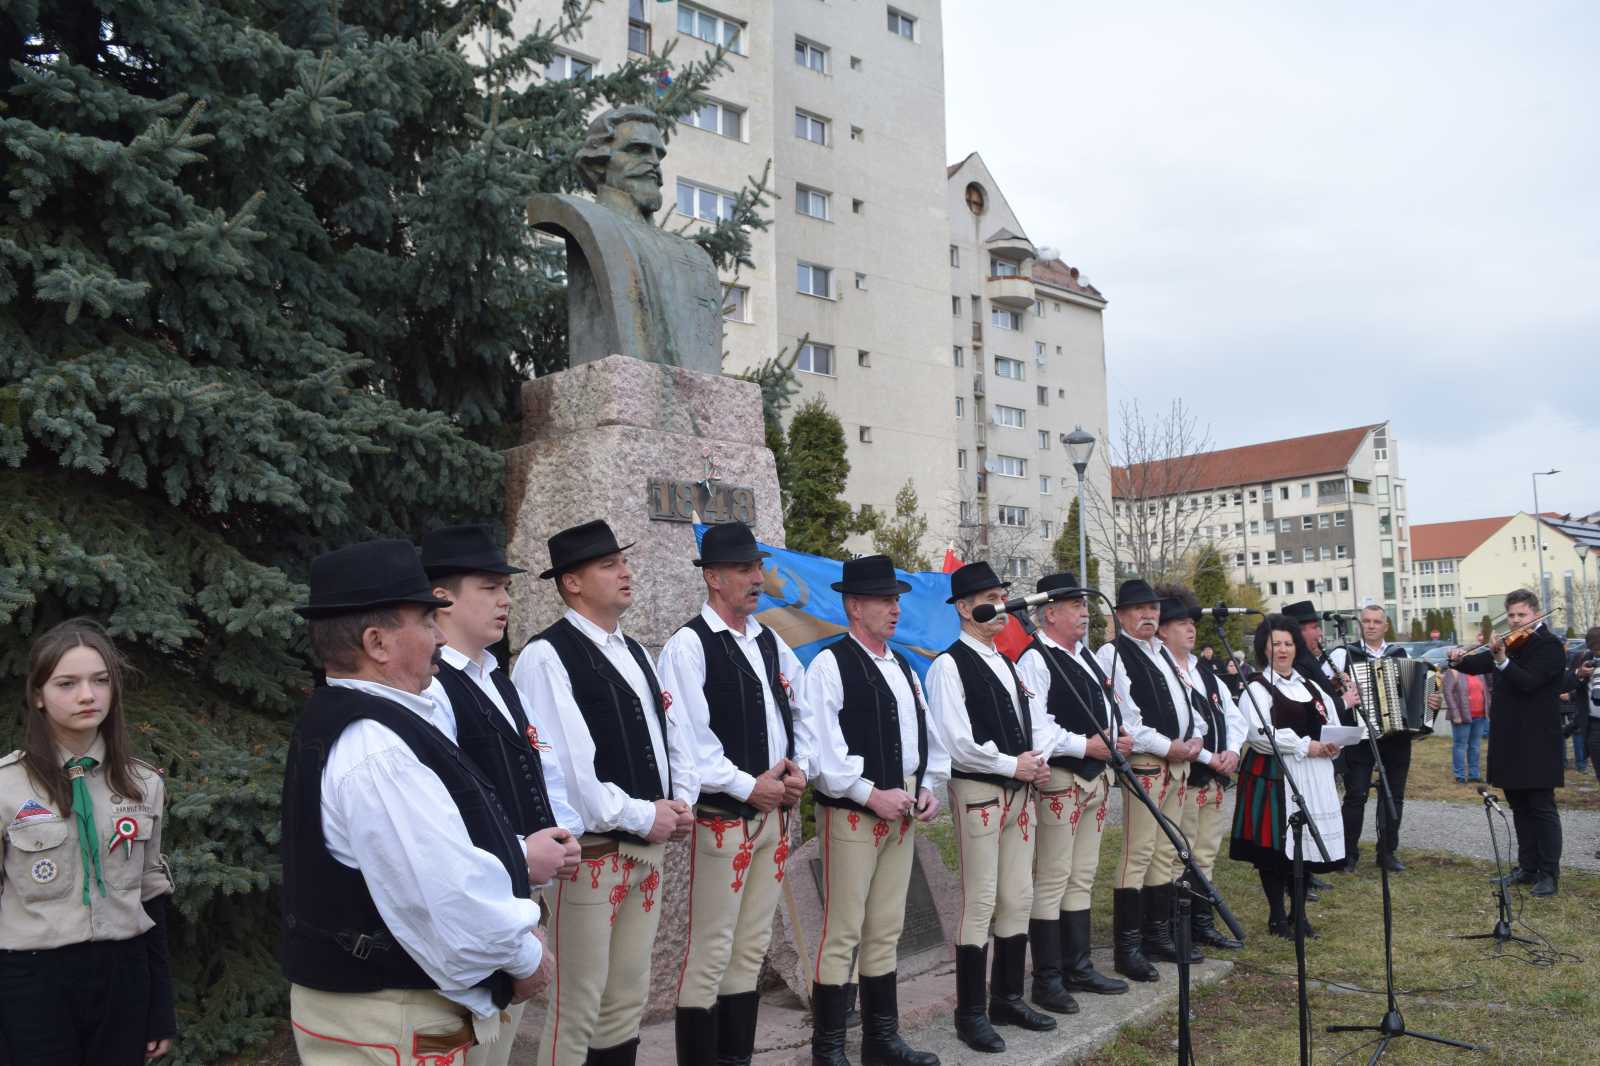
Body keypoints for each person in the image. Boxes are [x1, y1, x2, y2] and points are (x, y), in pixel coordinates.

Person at [282, 540, 560, 1064]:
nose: (438, 636)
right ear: (377, 642)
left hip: (380, 1014)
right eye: (427, 621)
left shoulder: (371, 721)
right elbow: (445, 893)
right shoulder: (376, 746)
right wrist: (526, 959)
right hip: (387, 1017)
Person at [512, 520, 698, 1064]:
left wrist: (680, 799)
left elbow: (672, 734)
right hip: (592, 853)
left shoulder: (636, 650)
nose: (626, 572)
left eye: (624, 561)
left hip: (647, 844)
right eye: (610, 564)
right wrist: (645, 814)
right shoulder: (547, 657)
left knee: (626, 998)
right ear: (572, 583)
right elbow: (569, 773)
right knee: (578, 1006)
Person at [420, 524, 584, 1066]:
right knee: (474, 1047)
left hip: (518, 890)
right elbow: (444, 814)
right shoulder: (434, 688)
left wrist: (561, 831)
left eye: (504, 587)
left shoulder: (496, 674)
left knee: (499, 1045)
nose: (505, 599)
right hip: (475, 899)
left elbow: (542, 764)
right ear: (442, 598)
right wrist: (520, 848)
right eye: (489, 587)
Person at [657, 522, 812, 1066]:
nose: (757, 578)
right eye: (745, 570)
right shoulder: (688, 646)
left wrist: (799, 769)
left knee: (749, 948)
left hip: (773, 817)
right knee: (710, 950)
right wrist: (751, 786)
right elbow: (689, 743)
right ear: (714, 577)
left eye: (757, 568)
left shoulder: (768, 641)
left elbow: (802, 707)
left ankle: (735, 1060)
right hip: (722, 819)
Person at [0, 619, 176, 1064]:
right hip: (33, 981)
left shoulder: (142, 783)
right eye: (67, 683)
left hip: (123, 977)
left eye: (100, 681)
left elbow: (151, 893)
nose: (87, 695)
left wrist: (159, 1007)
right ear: (38, 695)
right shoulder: (6, 786)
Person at [803, 555, 947, 1066]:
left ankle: (881, 1042)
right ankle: (829, 1051)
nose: (894, 608)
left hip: (902, 808)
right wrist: (870, 794)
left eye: (896, 600)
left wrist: (929, 784)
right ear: (854, 606)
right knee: (843, 930)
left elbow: (924, 737)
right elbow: (821, 754)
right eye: (885, 600)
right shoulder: (829, 665)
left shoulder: (902, 665)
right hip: (853, 813)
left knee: (886, 927)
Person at [926, 561, 1059, 1053]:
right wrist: (1012, 765)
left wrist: (1036, 762)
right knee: (980, 900)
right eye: (988, 597)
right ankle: (970, 1012)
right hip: (980, 791)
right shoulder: (948, 665)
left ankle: (1007, 996)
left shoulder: (1005, 660)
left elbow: (1029, 724)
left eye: (1002, 594)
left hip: (1019, 791)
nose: (1000, 604)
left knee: (1018, 895)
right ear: (963, 608)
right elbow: (956, 741)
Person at [1015, 572, 1134, 1013]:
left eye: (1085, 604)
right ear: (1049, 614)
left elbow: (1106, 706)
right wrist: (1085, 744)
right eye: (1073, 605)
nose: (1084, 611)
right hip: (1062, 778)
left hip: (1096, 778)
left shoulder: (1085, 655)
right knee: (1052, 877)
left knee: (1081, 875)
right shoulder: (1035, 659)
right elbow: (1037, 725)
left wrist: (1117, 736)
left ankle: (1078, 966)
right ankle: (1047, 978)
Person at [1095, 579, 1209, 983]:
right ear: (1121, 615)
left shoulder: (1160, 651)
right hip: (1147, 760)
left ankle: (1157, 934)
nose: (1149, 615)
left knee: (1167, 850)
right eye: (1139, 609)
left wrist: (1194, 736)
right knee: (1138, 850)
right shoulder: (1113, 653)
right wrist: (1170, 745)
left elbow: (1185, 699)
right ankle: (1128, 947)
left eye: (1153, 609)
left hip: (1177, 759)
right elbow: (1126, 719)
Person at [1229, 615, 1346, 938]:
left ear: (1296, 648)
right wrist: (1306, 746)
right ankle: (1277, 916)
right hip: (1274, 774)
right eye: (1275, 644)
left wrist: (1334, 743)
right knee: (1275, 849)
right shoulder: (1257, 687)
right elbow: (1258, 734)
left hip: (1315, 774)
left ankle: (1300, 913)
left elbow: (1331, 720)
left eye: (1288, 644)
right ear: (1264, 648)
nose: (1282, 650)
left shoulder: (1308, 686)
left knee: (1307, 844)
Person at [1450, 589, 1568, 897]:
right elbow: (1477, 665)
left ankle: (1549, 874)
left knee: (1541, 807)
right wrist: (1458, 659)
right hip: (1509, 737)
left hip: (1538, 739)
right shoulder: (1509, 645)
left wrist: (1502, 660)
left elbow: (1529, 682)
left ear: (1535, 613)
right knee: (1518, 805)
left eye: (1522, 615)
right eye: (1512, 615)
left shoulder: (1550, 646)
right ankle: (1527, 868)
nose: (1516, 621)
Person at [1154, 586, 1247, 951]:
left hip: (1216, 777)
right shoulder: (1161, 668)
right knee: (1181, 852)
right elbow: (1178, 727)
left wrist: (1233, 751)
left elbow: (1234, 715)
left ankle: (1201, 923)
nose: (1190, 630)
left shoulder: (1203, 670)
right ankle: (1176, 926)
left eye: (1192, 623)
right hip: (1187, 777)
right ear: (1162, 630)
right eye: (1180, 624)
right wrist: (1212, 756)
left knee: (1206, 852)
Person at [1328, 604, 1413, 873]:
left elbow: (1417, 690)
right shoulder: (1344, 654)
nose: (1371, 625)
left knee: (1394, 795)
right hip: (1360, 734)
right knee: (1356, 795)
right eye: (1366, 621)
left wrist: (1431, 698)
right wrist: (1337, 683)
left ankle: (1387, 852)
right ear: (1360, 624)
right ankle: (1347, 854)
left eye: (1377, 621)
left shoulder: (1401, 653)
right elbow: (1324, 689)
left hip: (1396, 733)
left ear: (1386, 626)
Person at [1441, 666, 1491, 784]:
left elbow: (1488, 689)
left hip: (1480, 715)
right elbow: (1448, 693)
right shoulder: (1453, 671)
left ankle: (1474, 775)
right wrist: (1455, 714)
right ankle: (1460, 776)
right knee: (1460, 746)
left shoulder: (1479, 672)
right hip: (1462, 716)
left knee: (1475, 746)